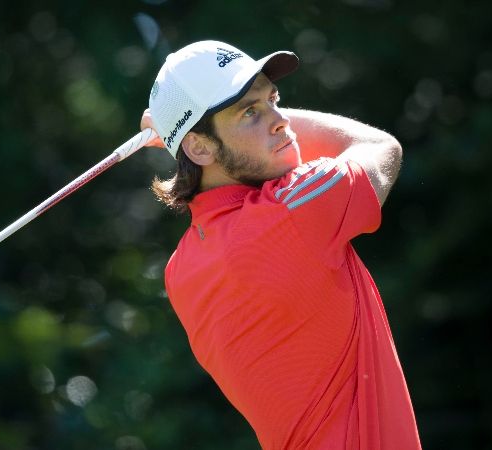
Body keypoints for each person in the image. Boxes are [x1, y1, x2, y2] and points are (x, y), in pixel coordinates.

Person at [140, 40, 421, 449]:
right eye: (250, 112)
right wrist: (172, 134)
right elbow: (380, 148)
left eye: (274, 99)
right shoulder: (292, 211)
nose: (281, 121)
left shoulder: (181, 269)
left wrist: (178, 135)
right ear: (199, 147)